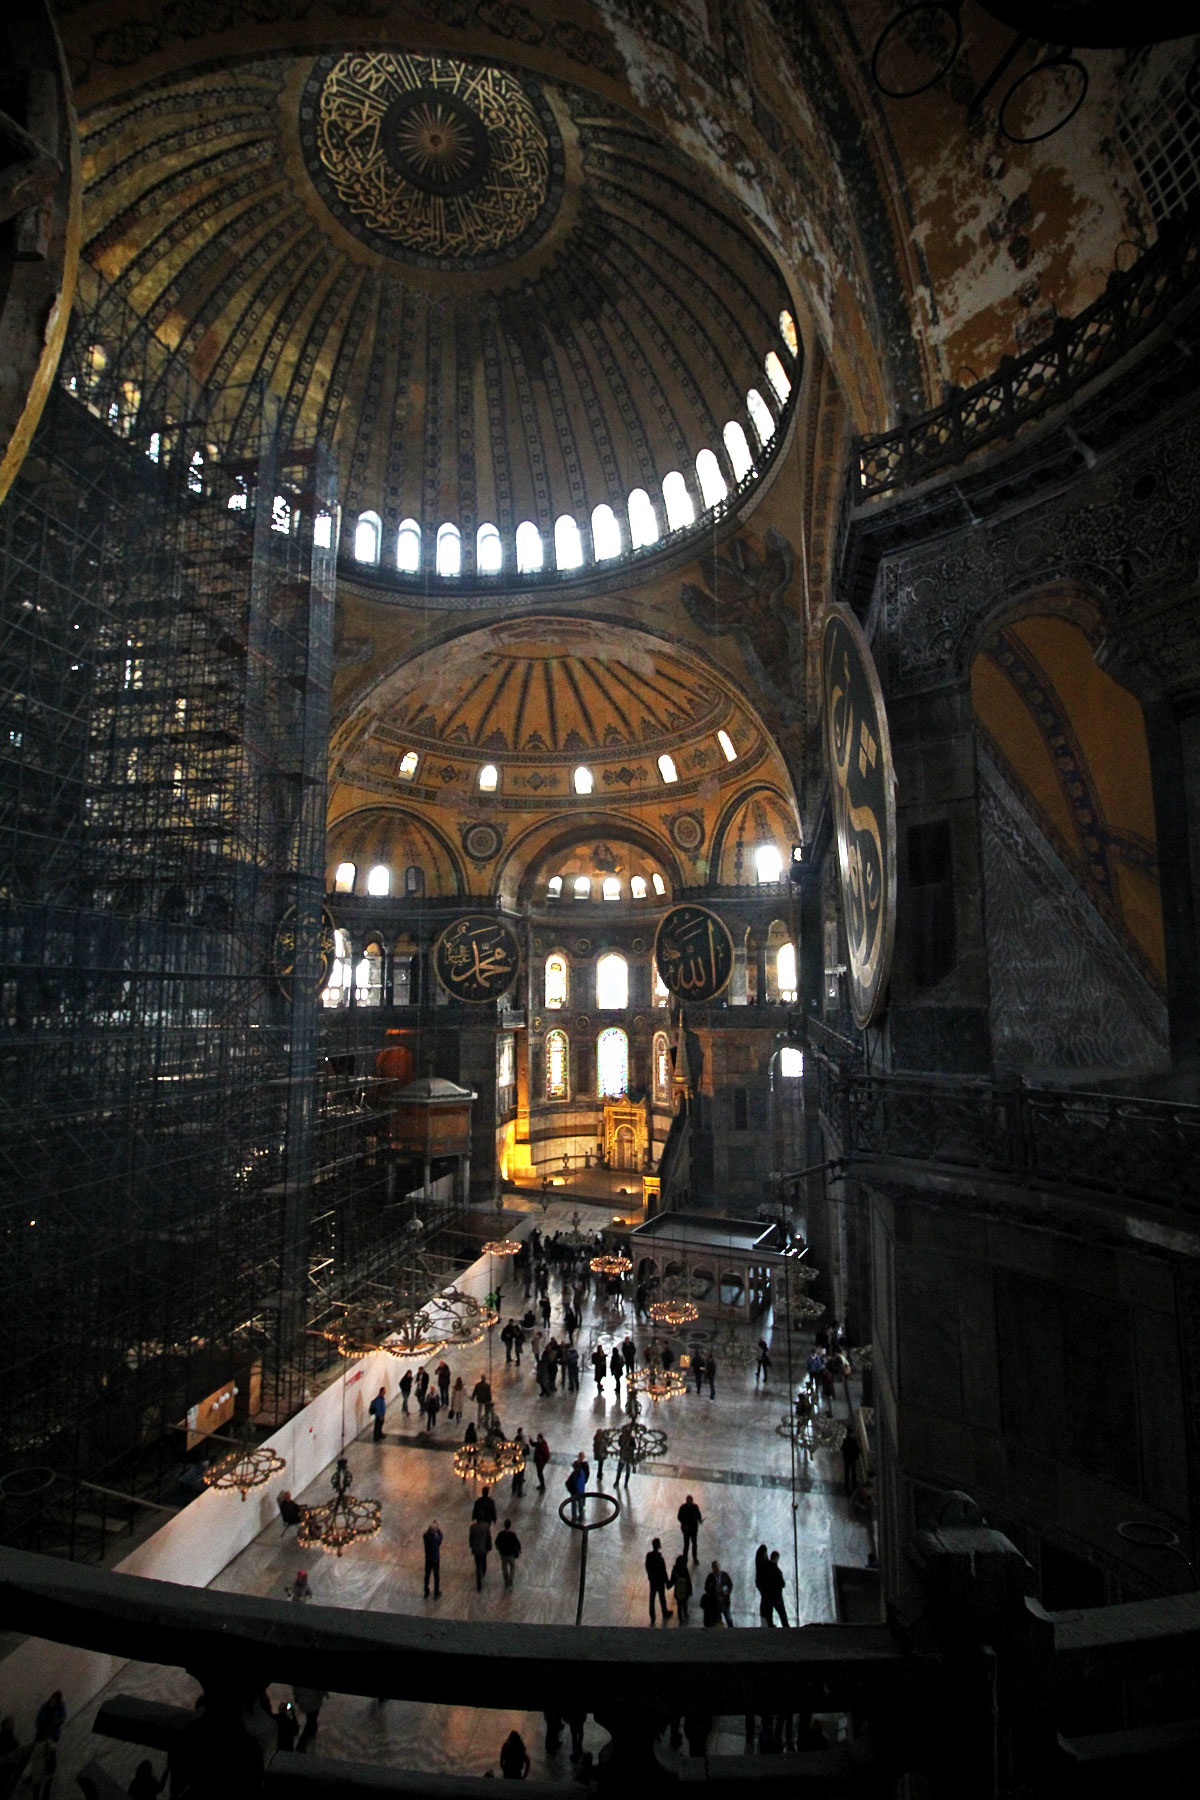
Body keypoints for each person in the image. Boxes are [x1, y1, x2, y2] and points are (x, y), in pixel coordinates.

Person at [645, 1536, 672, 1623]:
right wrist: (667, 1582)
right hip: (660, 1581)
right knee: (662, 1597)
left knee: (652, 1598)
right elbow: (663, 1572)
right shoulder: (660, 1559)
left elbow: (647, 1567)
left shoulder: (649, 1556)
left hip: (653, 1581)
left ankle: (652, 1615)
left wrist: (650, 1576)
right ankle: (664, 1612)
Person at [293, 1685, 327, 1752]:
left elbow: (295, 1688)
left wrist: (296, 1696)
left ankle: (313, 1729)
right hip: (313, 1702)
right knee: (310, 1721)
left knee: (311, 1718)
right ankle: (301, 1745)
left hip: (304, 1700)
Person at [761, 1549, 788, 1627]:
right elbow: (781, 1583)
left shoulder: (765, 1568)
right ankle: (785, 1625)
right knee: (781, 1611)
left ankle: (770, 1625)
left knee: (769, 1611)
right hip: (776, 1594)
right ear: (776, 1558)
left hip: (768, 1594)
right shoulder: (776, 1570)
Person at [496, 1517, 522, 1588]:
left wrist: (499, 1549)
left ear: (504, 1525)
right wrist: (519, 1549)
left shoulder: (500, 1534)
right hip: (511, 1554)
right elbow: (517, 1543)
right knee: (512, 1567)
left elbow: (496, 1543)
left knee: (504, 1568)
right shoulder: (513, 1534)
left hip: (503, 1554)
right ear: (510, 1525)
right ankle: (511, 1579)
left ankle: (506, 1581)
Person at [678, 1493, 703, 1565]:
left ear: (692, 1501)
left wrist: (700, 1520)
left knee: (694, 1544)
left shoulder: (695, 1507)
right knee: (686, 1545)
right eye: (688, 1501)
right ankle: (685, 1559)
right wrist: (684, 1524)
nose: (689, 1503)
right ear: (686, 1501)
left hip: (694, 1529)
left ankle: (694, 1557)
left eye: (690, 1501)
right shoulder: (683, 1507)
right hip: (686, 1530)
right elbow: (679, 1517)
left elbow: (699, 1515)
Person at [469, 1515, 493, 1590]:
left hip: (476, 1548)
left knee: (477, 1562)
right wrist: (489, 1546)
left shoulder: (472, 1527)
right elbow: (488, 1538)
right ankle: (483, 1571)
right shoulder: (486, 1527)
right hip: (483, 1548)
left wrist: (471, 1545)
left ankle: (479, 1579)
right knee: (483, 1559)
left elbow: (470, 1538)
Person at [669, 1551, 693, 1623]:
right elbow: (688, 1581)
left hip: (678, 1591)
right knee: (685, 1604)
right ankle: (685, 1614)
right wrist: (690, 1591)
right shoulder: (684, 1569)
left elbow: (672, 1580)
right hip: (685, 1591)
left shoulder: (675, 1570)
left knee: (679, 1607)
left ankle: (680, 1621)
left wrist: (668, 1585)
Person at [423, 1520, 443, 1598]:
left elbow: (426, 1532)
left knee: (427, 1575)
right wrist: (438, 1529)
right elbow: (441, 1536)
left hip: (428, 1559)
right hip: (435, 1560)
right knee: (436, 1577)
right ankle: (436, 1593)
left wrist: (431, 1527)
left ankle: (426, 1591)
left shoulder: (425, 1536)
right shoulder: (436, 1539)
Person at [711, 1560, 733, 1626]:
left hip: (725, 1601)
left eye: (717, 1567)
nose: (716, 1568)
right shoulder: (710, 1577)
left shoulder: (725, 1575)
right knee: (717, 1621)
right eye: (714, 1567)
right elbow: (707, 1587)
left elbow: (730, 1585)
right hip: (716, 1603)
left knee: (728, 1618)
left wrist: (727, 1592)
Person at [842, 1426, 863, 1494]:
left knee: (847, 1472)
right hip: (852, 1458)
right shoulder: (853, 1440)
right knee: (853, 1471)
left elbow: (842, 1448)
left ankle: (846, 1486)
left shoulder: (844, 1440)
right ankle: (853, 1485)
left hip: (846, 1458)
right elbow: (856, 1448)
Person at [615, 1422, 636, 1487]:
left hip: (628, 1457)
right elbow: (619, 1443)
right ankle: (617, 1481)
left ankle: (625, 1483)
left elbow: (634, 1447)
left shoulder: (631, 1438)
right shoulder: (622, 1437)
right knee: (619, 1470)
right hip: (623, 1455)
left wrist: (628, 1448)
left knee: (627, 1471)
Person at [511, 1428, 527, 1496]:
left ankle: (514, 1488)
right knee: (520, 1477)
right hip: (521, 1462)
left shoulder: (514, 1444)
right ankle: (519, 1492)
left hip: (515, 1461)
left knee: (515, 1475)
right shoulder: (522, 1446)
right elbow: (527, 1452)